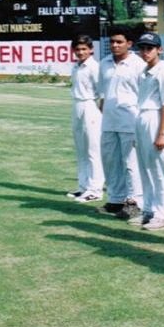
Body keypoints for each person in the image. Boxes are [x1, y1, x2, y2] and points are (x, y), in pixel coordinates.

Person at [98, 25, 146, 221]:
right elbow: (102, 93)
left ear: (129, 44)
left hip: (130, 121)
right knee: (110, 161)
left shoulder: (138, 65)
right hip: (109, 120)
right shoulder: (104, 63)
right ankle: (115, 200)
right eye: (112, 42)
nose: (115, 45)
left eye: (119, 42)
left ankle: (135, 202)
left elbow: (143, 95)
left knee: (131, 163)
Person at [134, 32, 164, 230]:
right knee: (145, 168)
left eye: (149, 48)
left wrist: (162, 133)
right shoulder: (144, 72)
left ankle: (163, 214)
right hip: (142, 117)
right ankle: (149, 210)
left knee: (160, 170)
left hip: (156, 118)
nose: (145, 52)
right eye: (142, 48)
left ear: (159, 49)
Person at [67, 34, 105, 202]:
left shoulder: (94, 67)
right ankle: (83, 186)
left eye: (84, 49)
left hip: (90, 106)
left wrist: (100, 113)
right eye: (77, 49)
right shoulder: (76, 67)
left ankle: (95, 190)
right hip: (77, 105)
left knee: (92, 150)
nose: (80, 52)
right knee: (81, 149)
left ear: (91, 50)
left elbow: (102, 93)